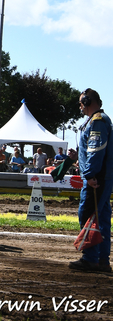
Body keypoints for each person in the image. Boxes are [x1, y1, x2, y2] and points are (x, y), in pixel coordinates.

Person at [68, 88, 113, 272]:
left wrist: (90, 174)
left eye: (81, 102)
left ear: (87, 101)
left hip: (96, 179)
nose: (80, 106)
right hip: (102, 177)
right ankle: (102, 260)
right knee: (101, 218)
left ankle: (91, 258)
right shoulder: (100, 120)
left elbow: (95, 150)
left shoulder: (97, 122)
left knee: (88, 215)